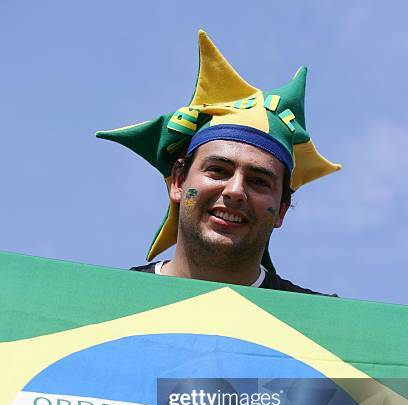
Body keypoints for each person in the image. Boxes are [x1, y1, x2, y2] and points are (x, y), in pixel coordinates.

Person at [96, 31, 341, 294]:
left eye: (259, 181)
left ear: (281, 210)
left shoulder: (323, 325)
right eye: (218, 171)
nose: (235, 191)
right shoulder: (105, 301)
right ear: (178, 182)